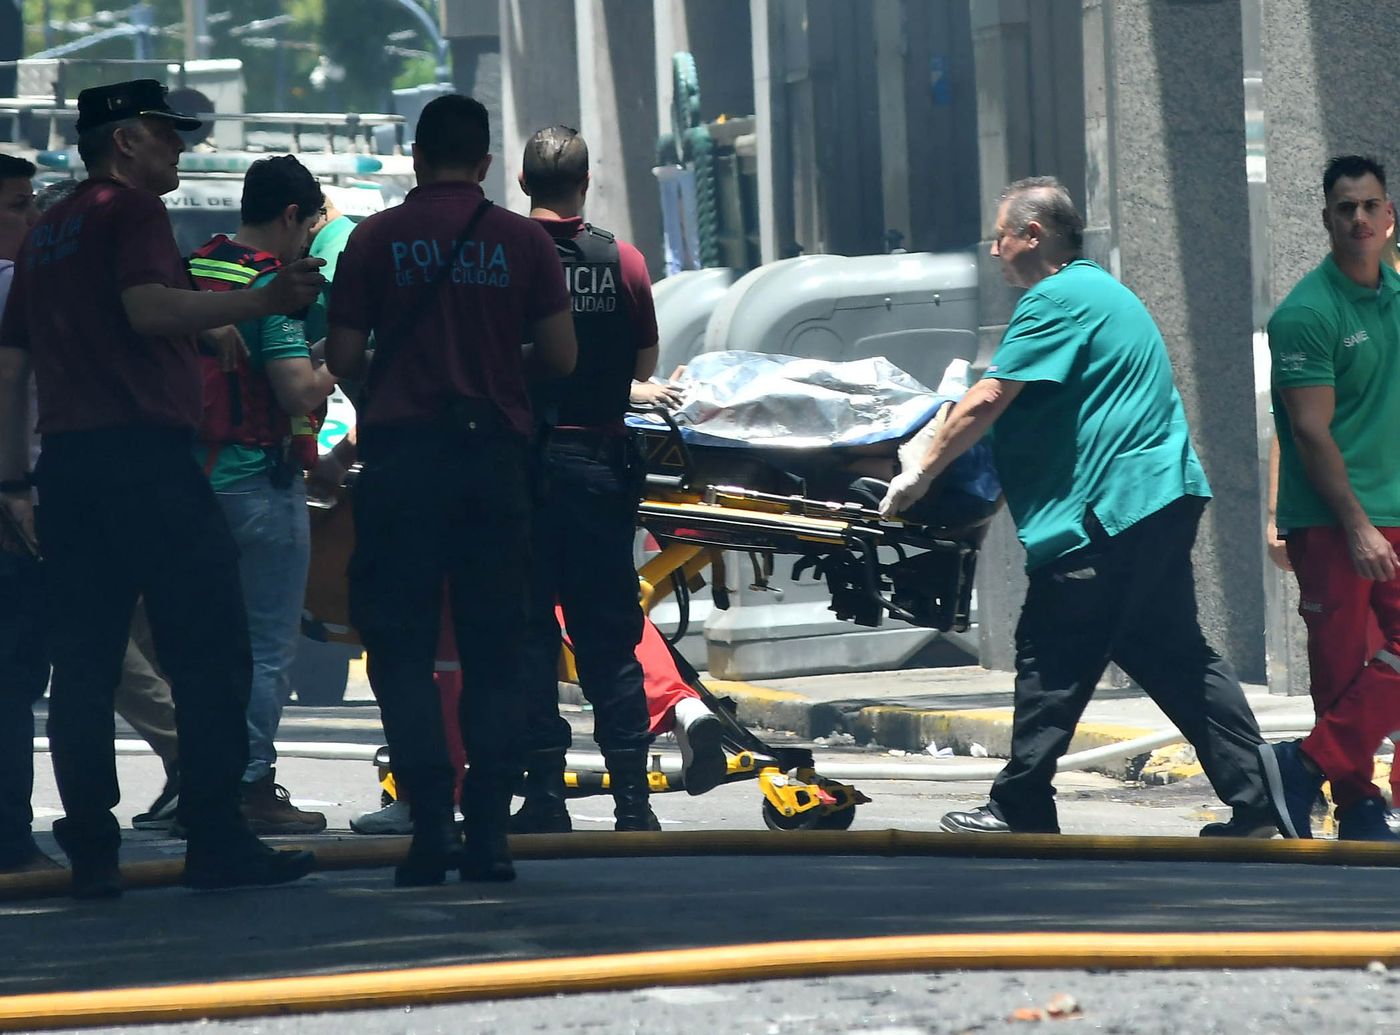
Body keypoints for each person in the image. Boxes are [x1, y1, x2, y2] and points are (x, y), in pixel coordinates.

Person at [0, 79, 325, 897]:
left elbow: (12, 366)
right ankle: (216, 834)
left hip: (68, 469)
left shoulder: (46, 233)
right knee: (214, 648)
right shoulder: (129, 212)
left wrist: (13, 480)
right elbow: (146, 309)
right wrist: (261, 298)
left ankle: (93, 850)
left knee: (83, 663)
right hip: (146, 460)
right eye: (165, 133)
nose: (179, 146)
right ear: (124, 143)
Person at [881, 176, 1278, 839]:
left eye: (1000, 237)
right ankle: (1263, 801)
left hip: (1110, 515)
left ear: (1031, 236)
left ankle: (1020, 804)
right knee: (1175, 655)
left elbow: (987, 399)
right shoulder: (1103, 295)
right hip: (1159, 501)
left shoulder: (1055, 300)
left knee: (1051, 645)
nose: (995, 251)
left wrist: (921, 471)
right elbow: (1048, 416)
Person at [325, 94, 576, 886]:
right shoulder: (522, 241)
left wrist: (395, 384)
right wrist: (498, 375)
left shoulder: (372, 241)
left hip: (402, 467)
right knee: (495, 650)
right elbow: (563, 358)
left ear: (414, 157)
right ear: (488, 163)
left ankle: (430, 825)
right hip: (492, 467)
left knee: (398, 652)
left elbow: (340, 354)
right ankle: (491, 836)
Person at [508, 124, 720, 835]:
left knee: (531, 632)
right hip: (600, 471)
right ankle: (634, 798)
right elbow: (641, 363)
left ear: (521, 181)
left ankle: (543, 795)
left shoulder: (501, 256)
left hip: (523, 471)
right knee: (609, 633)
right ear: (587, 181)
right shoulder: (621, 259)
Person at [189, 155, 337, 835]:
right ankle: (248, 785)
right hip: (257, 481)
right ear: (289, 218)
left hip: (196, 478)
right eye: (308, 229)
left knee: (206, 646)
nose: (308, 243)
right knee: (267, 647)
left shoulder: (202, 263)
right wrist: (337, 360)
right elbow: (296, 391)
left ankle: (200, 785)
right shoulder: (271, 283)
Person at [30, 177, 184, 832]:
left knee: (109, 647)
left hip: (62, 475)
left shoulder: (41, 276)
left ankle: (192, 766)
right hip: (66, 477)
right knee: (110, 648)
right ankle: (198, 764)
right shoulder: (43, 280)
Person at [1257, 154, 1400, 842]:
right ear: (1326, 220)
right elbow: (1309, 433)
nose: (1360, 218)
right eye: (1346, 208)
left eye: (1371, 205)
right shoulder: (1305, 314)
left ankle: (1302, 761)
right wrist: (1355, 524)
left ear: (1390, 215)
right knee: (1342, 665)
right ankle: (1358, 805)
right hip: (1335, 519)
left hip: (1395, 508)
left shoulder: (1399, 298)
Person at [0, 154, 52, 873]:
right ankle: (11, 836)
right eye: (18, 206)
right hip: (19, 502)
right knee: (14, 679)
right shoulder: (18, 288)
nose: (34, 219)